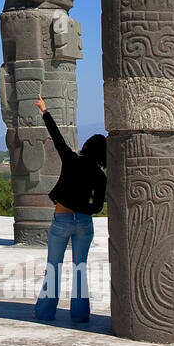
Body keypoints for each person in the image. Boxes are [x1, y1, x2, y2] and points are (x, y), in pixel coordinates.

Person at [33, 96, 107, 323]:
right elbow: (96, 206)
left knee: (53, 268)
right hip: (84, 223)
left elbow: (56, 138)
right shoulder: (100, 176)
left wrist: (45, 111)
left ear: (85, 147)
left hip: (62, 219)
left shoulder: (72, 160)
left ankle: (45, 313)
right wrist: (82, 208)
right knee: (80, 269)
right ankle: (80, 315)